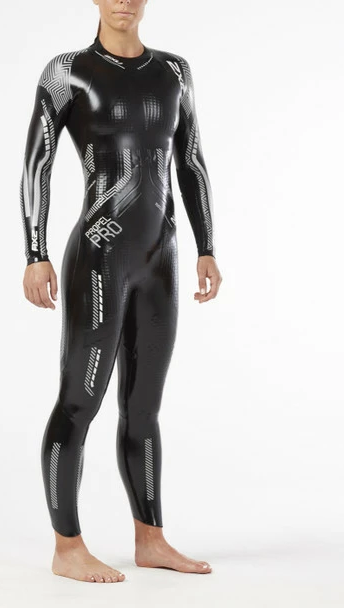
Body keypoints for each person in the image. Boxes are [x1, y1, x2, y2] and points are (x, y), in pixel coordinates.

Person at [19, 0, 222, 583]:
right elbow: (37, 164)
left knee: (144, 407)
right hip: (99, 257)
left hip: (162, 258)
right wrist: (35, 253)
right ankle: (67, 547)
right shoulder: (67, 71)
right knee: (80, 402)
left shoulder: (175, 71)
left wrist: (207, 246)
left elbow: (190, 161)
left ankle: (150, 539)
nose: (123, 2)